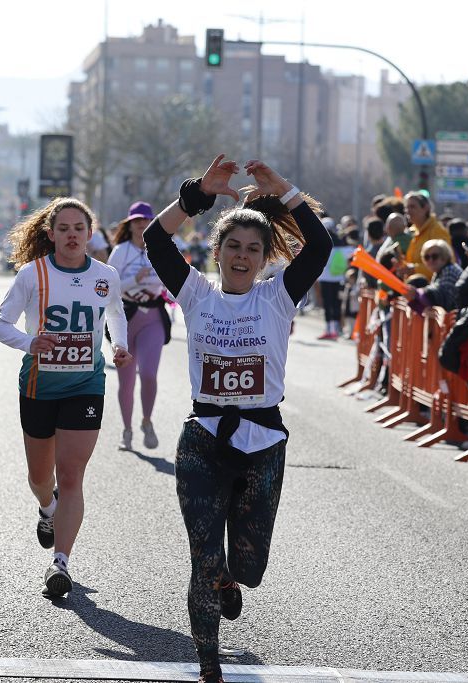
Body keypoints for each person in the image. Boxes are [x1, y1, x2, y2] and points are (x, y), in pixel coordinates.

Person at [144, 155, 331, 683]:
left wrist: (285, 190)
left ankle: (231, 577)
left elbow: (319, 248)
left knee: (249, 569)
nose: (242, 256)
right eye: (233, 247)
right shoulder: (195, 293)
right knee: (203, 558)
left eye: (253, 249)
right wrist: (195, 196)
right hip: (203, 438)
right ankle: (209, 667)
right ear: (218, 251)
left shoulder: (279, 296)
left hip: (264, 441)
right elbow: (157, 243)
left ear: (265, 257)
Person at [0, 197, 132, 600]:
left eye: (79, 229)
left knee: (71, 476)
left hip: (85, 385)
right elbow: (0, 325)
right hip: (39, 386)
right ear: (50, 234)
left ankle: (61, 562)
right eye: (64, 229)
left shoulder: (105, 275)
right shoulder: (32, 274)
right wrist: (29, 342)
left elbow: (116, 313)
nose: (72, 235)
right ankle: (47, 508)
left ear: (91, 234)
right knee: (41, 478)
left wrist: (118, 344)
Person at [107, 201, 168, 450]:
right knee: (127, 381)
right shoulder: (120, 251)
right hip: (126, 316)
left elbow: (173, 284)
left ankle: (146, 421)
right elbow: (109, 289)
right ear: (129, 224)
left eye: (146, 219)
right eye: (137, 220)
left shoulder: (163, 249)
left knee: (150, 374)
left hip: (153, 315)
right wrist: (134, 280)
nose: (142, 223)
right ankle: (127, 430)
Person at [402, 191, 452, 280]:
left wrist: (414, 269)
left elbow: (446, 265)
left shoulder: (437, 231)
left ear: (425, 208)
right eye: (406, 207)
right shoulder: (414, 232)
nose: (408, 211)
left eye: (412, 207)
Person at [403, 239, 462, 312]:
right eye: (426, 257)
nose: (430, 260)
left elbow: (442, 298)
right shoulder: (439, 271)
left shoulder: (450, 270)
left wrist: (417, 293)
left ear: (444, 257)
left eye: (434, 256)